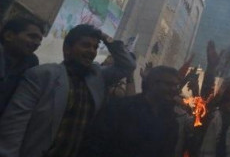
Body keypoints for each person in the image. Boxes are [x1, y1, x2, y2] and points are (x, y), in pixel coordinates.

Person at [0, 23, 135, 157]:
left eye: (95, 47)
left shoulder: (97, 77)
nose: (92, 51)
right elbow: (13, 128)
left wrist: (106, 39)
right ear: (67, 49)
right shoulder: (42, 75)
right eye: (85, 45)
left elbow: (128, 66)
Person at [78, 65, 182, 157]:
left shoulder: (171, 122)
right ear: (152, 83)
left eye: (176, 85)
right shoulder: (120, 108)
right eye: (169, 84)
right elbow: (95, 144)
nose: (174, 89)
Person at [0, 16, 44, 114]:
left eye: (39, 40)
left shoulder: (31, 62)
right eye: (32, 36)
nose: (37, 43)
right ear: (9, 36)